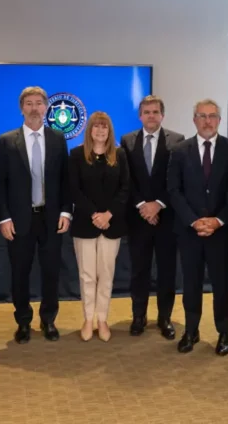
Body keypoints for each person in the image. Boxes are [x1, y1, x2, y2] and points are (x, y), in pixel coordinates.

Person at [0, 86, 71, 343]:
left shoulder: (58, 138)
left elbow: (65, 179)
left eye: (39, 103)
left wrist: (66, 211)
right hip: (19, 220)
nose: (34, 108)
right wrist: (3, 218)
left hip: (51, 219)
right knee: (20, 273)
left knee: (51, 272)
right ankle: (23, 322)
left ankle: (48, 319)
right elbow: (0, 184)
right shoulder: (7, 141)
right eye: (29, 103)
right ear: (21, 108)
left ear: (46, 107)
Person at [168, 99, 228, 354]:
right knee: (191, 283)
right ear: (194, 120)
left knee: (222, 285)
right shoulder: (179, 151)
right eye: (202, 116)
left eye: (212, 116)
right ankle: (191, 330)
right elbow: (174, 191)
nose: (207, 121)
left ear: (219, 120)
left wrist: (218, 220)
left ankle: (224, 332)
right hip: (190, 232)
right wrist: (193, 220)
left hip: (222, 232)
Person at [120, 95, 184, 339]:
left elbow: (177, 179)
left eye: (155, 112)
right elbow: (126, 178)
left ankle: (164, 318)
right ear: (140, 116)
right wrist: (143, 206)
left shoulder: (177, 140)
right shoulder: (127, 140)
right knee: (139, 271)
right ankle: (139, 316)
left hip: (167, 217)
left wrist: (157, 204)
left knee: (167, 270)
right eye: (146, 112)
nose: (151, 116)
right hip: (138, 218)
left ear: (162, 115)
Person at [70, 111, 129, 342]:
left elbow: (125, 188)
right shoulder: (77, 155)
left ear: (110, 131)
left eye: (105, 127)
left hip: (112, 224)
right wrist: (95, 214)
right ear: (89, 130)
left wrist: (108, 214)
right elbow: (74, 189)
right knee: (87, 275)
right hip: (85, 224)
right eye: (96, 126)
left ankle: (102, 319)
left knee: (106, 274)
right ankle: (88, 319)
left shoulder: (120, 155)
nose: (101, 130)